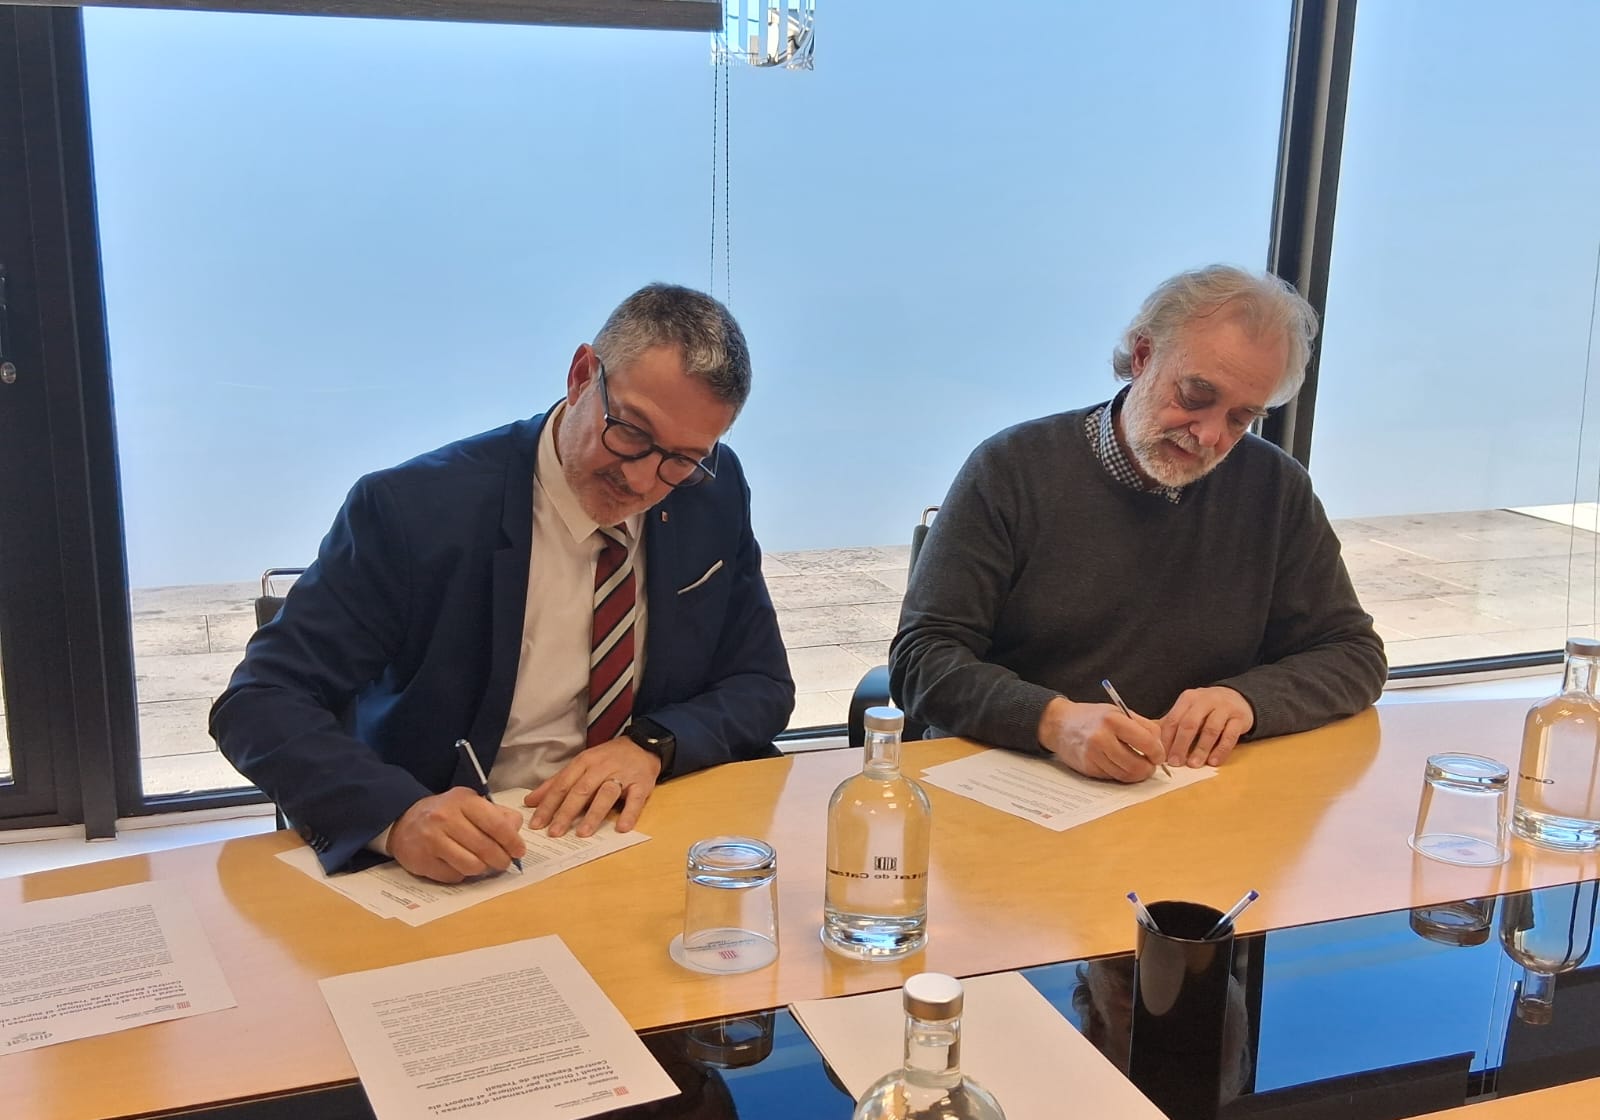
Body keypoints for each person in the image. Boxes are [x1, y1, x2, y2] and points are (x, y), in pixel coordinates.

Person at [211, 284, 794, 880]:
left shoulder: (711, 490)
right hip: (469, 851)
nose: (644, 481)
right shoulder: (415, 511)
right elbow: (259, 700)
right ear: (582, 375)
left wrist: (653, 745)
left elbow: (762, 683)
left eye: (682, 459)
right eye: (632, 432)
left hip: (646, 830)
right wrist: (398, 816)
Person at [889, 265, 1385, 782]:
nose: (1210, 435)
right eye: (1195, 396)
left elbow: (1354, 653)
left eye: (1241, 418)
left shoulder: (1274, 487)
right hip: (1014, 780)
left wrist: (1244, 701)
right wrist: (1053, 722)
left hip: (1186, 788)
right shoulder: (1011, 469)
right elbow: (921, 660)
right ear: (1144, 355)